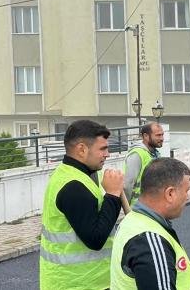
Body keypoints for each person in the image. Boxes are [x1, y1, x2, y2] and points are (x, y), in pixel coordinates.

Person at [39, 120, 123, 290]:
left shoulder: (70, 175)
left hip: (78, 281)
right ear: (82, 149)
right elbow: (95, 238)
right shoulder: (74, 186)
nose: (108, 154)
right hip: (79, 283)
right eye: (102, 149)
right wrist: (113, 195)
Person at [110, 158, 190, 289]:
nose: (187, 197)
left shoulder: (132, 220)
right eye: (186, 190)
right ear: (170, 193)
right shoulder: (150, 240)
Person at [123, 122, 164, 205]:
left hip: (153, 205)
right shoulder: (136, 154)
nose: (162, 138)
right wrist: (127, 207)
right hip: (139, 207)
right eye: (158, 135)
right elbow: (127, 184)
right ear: (146, 136)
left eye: (162, 135)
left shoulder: (155, 153)